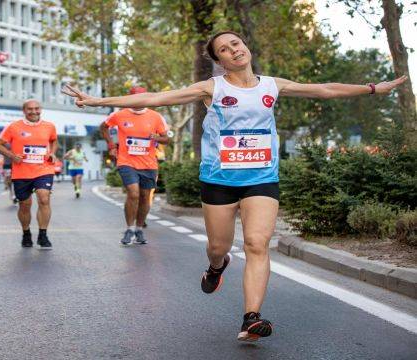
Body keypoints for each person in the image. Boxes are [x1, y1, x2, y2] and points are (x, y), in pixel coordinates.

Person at [61, 30, 407, 342]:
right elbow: (154, 99)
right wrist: (96, 102)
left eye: (236, 44)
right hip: (219, 180)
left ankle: (251, 317)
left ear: (246, 47)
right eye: (224, 50)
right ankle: (216, 266)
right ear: (219, 61)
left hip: (262, 178)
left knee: (257, 243)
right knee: (217, 247)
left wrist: (374, 88)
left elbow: (326, 89)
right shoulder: (212, 88)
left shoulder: (273, 84)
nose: (234, 51)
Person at [98, 86, 170, 246]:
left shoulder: (156, 116)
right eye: (135, 98)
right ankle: (129, 228)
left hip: (149, 164)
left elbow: (166, 139)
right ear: (129, 99)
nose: (139, 101)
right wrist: (111, 145)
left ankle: (139, 228)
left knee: (145, 197)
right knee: (133, 193)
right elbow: (103, 127)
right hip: (126, 162)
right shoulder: (119, 114)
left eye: (142, 98)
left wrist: (157, 137)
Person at [0, 99, 58, 249]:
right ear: (24, 110)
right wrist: (12, 155)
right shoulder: (13, 126)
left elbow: (54, 141)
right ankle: (26, 233)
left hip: (44, 169)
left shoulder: (49, 126)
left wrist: (53, 153)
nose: (34, 111)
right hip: (21, 171)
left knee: (44, 198)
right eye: (30, 109)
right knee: (24, 205)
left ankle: (43, 235)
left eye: (37, 108)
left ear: (40, 109)